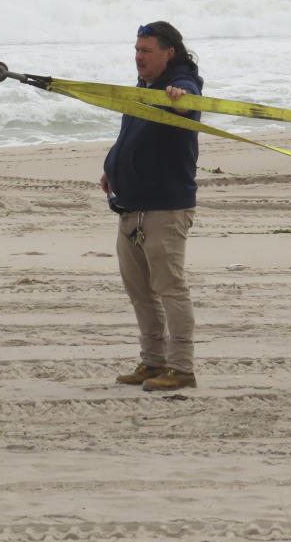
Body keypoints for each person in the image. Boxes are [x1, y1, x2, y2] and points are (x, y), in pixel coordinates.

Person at [100, 21, 203, 391]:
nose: (138, 58)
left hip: (165, 207)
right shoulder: (143, 88)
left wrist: (181, 94)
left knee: (170, 289)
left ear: (168, 53)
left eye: (146, 51)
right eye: (136, 50)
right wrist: (112, 167)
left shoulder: (180, 86)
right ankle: (152, 362)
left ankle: (182, 367)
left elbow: (189, 99)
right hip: (130, 205)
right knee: (140, 292)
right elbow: (130, 134)